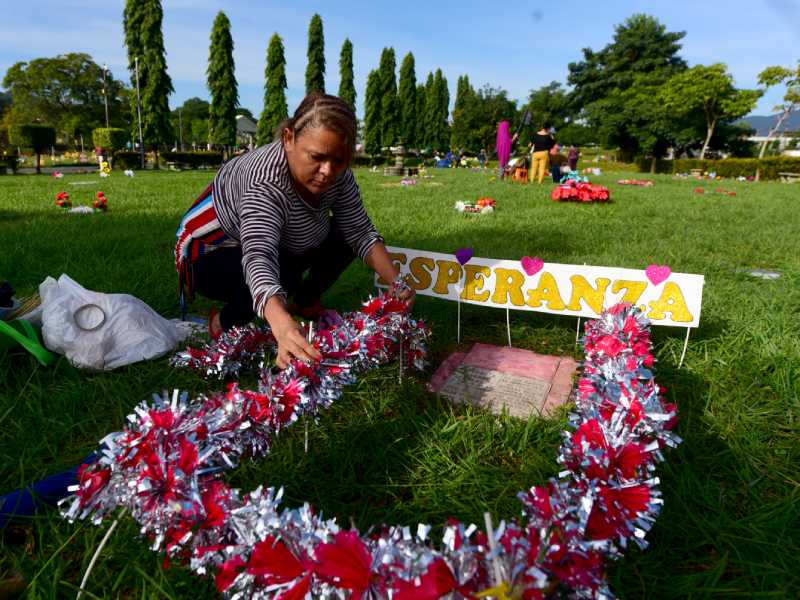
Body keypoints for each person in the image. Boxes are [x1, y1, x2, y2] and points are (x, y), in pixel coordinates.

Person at [175, 92, 415, 369]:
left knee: (344, 236)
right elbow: (259, 254)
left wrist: (397, 283)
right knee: (281, 275)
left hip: (282, 241)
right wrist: (281, 325)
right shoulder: (264, 181)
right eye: (317, 157)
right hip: (211, 253)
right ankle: (223, 322)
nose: (327, 171)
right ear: (288, 138)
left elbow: (359, 229)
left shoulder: (338, 174)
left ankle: (304, 302)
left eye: (339, 161)